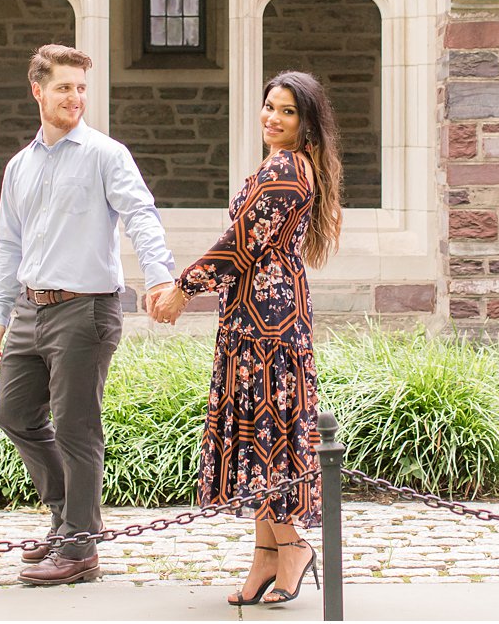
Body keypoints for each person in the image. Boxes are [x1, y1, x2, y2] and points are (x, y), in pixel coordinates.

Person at [148, 70, 344, 607]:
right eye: (269, 107)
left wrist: (181, 289)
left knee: (267, 431)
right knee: (259, 430)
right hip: (257, 314)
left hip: (267, 323)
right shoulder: (290, 165)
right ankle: (265, 557)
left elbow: (239, 244)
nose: (272, 118)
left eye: (286, 111)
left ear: (305, 124)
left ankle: (292, 547)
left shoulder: (285, 168)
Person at [0, 44, 176, 586]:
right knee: (15, 414)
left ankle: (79, 545)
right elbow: (9, 243)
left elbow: (140, 213)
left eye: (81, 88)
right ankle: (68, 518)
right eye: (64, 87)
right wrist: (0, 312)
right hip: (29, 307)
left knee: (75, 426)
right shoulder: (19, 166)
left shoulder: (105, 154)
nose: (75, 97)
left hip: (85, 310)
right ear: (38, 91)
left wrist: (160, 275)